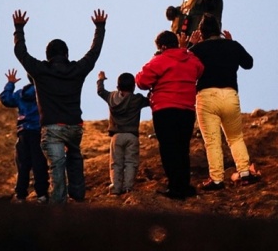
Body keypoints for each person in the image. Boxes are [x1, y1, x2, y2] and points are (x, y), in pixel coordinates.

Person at [12, 8, 108, 204]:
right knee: (74, 157)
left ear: (48, 56)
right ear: (66, 53)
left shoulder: (40, 70)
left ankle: (58, 203)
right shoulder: (77, 69)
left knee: (57, 165)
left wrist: (19, 29)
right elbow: (94, 52)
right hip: (74, 126)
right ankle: (78, 194)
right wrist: (100, 27)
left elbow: (20, 52)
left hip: (52, 128)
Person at [188, 13, 262, 190]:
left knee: (212, 141)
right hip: (230, 95)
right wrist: (232, 44)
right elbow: (248, 63)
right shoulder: (232, 46)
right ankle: (244, 172)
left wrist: (192, 45)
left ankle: (217, 179)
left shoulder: (198, 50)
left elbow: (186, 66)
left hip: (207, 96)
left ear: (202, 32)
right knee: (235, 137)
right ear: (219, 30)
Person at [135, 30, 204, 200]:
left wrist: (156, 57)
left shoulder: (159, 61)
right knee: (182, 149)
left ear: (162, 46)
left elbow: (141, 81)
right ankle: (185, 186)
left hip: (165, 109)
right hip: (187, 110)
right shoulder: (192, 59)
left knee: (168, 149)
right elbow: (200, 70)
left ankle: (175, 188)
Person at [0, 68, 50, 203]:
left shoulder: (20, 93)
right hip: (37, 132)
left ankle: (20, 195)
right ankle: (42, 195)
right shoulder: (44, 93)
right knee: (39, 164)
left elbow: (6, 99)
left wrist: (10, 83)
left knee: (23, 165)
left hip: (23, 133)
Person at [96, 71, 150, 195]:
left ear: (117, 86)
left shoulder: (111, 98)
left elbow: (100, 91)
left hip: (116, 136)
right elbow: (150, 100)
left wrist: (101, 79)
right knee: (131, 162)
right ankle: (128, 188)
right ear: (133, 86)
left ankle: (115, 187)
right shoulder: (137, 99)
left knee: (116, 163)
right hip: (132, 136)